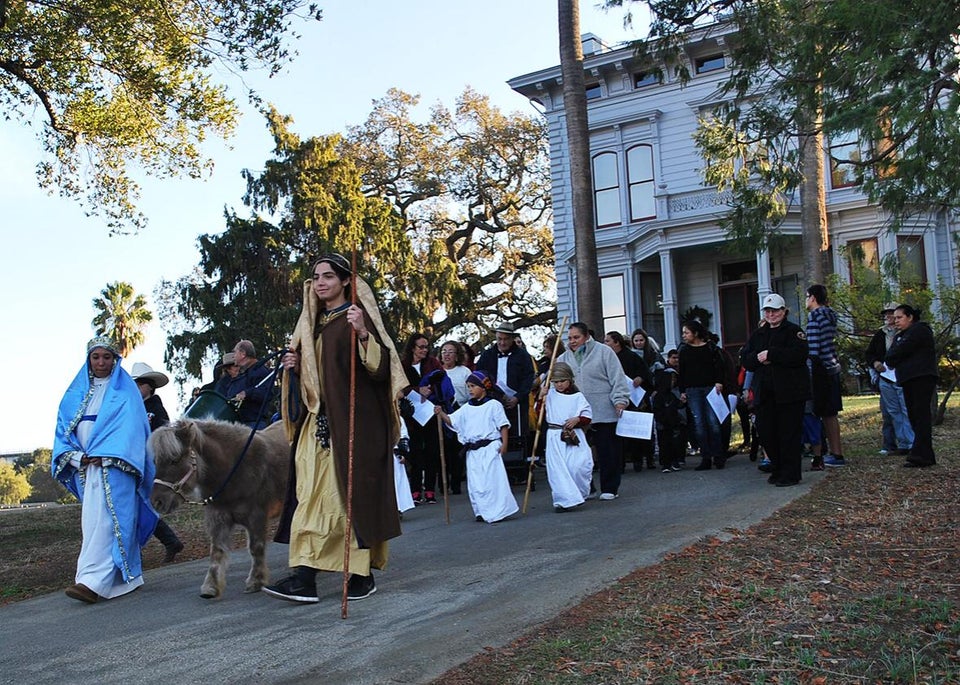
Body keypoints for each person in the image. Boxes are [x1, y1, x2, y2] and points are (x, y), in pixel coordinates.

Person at [265, 254, 404, 604]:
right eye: (315, 277)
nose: (320, 282)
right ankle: (304, 575)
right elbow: (316, 380)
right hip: (316, 424)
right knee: (309, 496)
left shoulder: (356, 318)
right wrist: (294, 368)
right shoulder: (311, 325)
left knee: (345, 498)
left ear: (345, 281)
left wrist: (361, 334)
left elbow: (381, 369)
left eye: (329, 276)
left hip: (355, 425)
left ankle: (359, 573)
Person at [52, 336, 159, 603]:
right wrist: (77, 457)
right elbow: (63, 432)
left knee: (112, 522)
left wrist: (109, 455)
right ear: (89, 359)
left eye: (106, 357)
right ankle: (111, 578)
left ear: (115, 359)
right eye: (96, 357)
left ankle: (91, 582)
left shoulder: (126, 393)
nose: (101, 362)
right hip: (87, 470)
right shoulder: (74, 394)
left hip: (116, 467)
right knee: (93, 523)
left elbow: (134, 431)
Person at [740, 294, 810, 487]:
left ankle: (791, 473)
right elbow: (746, 359)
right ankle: (777, 468)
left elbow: (800, 355)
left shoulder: (793, 332)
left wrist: (773, 355)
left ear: (784, 311)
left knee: (789, 433)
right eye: (768, 311)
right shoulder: (759, 334)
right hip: (765, 392)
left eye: (775, 310)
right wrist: (760, 358)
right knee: (767, 432)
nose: (771, 314)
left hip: (790, 392)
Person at [558, 322, 631, 500]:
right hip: (577, 413)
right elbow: (557, 382)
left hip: (602, 409)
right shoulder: (562, 358)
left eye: (577, 337)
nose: (573, 341)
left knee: (607, 451)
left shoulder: (604, 352)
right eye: (570, 338)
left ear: (586, 336)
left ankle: (610, 487)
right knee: (579, 453)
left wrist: (620, 400)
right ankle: (586, 487)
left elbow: (617, 378)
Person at [435, 371, 518, 523]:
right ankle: (481, 510)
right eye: (468, 387)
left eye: (473, 386)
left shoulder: (493, 405)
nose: (470, 390)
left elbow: (503, 425)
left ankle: (499, 510)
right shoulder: (467, 408)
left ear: (483, 387)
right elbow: (453, 421)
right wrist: (441, 414)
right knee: (476, 483)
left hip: (490, 448)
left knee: (492, 480)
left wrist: (504, 444)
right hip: (473, 451)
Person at [131, 361, 184, 563]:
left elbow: (163, 435)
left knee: (141, 504)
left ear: (149, 386)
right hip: (137, 461)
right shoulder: (135, 409)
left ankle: (161, 544)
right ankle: (169, 542)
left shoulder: (156, 410)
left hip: (149, 463)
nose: (136, 389)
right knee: (138, 504)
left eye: (140, 384)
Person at [885, 304, 938, 468]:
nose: (896, 321)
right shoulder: (901, 335)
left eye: (899, 317)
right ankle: (922, 452)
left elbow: (899, 352)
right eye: (894, 318)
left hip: (921, 378)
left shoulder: (919, 331)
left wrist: (896, 355)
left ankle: (922, 453)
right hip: (908, 379)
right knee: (914, 416)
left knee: (920, 415)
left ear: (910, 317)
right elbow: (890, 357)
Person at [475, 322, 536, 456]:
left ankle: (520, 470)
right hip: (494, 401)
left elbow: (528, 378)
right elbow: (479, 375)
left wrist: (517, 397)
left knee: (519, 434)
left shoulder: (522, 355)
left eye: (505, 339)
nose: (502, 343)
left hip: (517, 403)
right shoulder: (487, 355)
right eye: (499, 339)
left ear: (512, 339)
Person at [538, 362, 593, 512]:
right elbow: (539, 414)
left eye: (562, 381)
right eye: (556, 382)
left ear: (569, 380)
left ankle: (578, 494)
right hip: (555, 435)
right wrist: (540, 397)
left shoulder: (577, 396)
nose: (559, 385)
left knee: (578, 466)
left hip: (574, 434)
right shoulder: (549, 395)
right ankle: (563, 501)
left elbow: (587, 416)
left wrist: (577, 420)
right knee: (558, 469)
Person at [865, 303, 914, 456]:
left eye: (891, 313)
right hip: (885, 377)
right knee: (892, 412)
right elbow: (869, 354)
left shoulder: (908, 333)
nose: (887, 316)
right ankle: (898, 444)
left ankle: (912, 443)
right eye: (885, 313)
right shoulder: (881, 334)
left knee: (906, 410)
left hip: (902, 376)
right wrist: (876, 363)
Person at [400, 333, 443, 504]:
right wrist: (418, 389)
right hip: (411, 413)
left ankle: (431, 489)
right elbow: (400, 386)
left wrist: (432, 390)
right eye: (421, 347)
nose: (424, 350)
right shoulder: (403, 365)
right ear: (412, 347)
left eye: (426, 347)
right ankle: (415, 490)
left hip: (430, 411)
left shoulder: (432, 363)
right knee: (414, 450)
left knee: (432, 450)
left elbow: (442, 381)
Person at [677, 319, 725, 470]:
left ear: (695, 333)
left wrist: (719, 381)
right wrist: (682, 391)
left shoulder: (711, 348)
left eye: (686, 332)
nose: (684, 335)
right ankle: (706, 457)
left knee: (713, 422)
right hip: (693, 390)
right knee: (699, 424)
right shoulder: (683, 351)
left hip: (711, 389)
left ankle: (718, 455)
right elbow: (682, 373)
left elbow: (719, 366)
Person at [805, 284, 845, 467]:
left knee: (823, 412)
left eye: (807, 296)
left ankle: (834, 455)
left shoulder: (815, 317)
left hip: (821, 370)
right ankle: (837, 452)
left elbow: (813, 349)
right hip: (833, 366)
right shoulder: (830, 316)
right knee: (832, 414)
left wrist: (809, 371)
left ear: (812, 297)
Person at [605, 331, 654, 471]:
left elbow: (645, 372)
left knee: (639, 431)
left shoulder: (631, 356)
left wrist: (640, 378)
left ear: (616, 342)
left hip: (635, 397)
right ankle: (621, 463)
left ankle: (644, 459)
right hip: (616, 397)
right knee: (620, 432)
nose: (605, 344)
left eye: (608, 341)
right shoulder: (608, 358)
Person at [438, 340, 471, 494]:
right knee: (442, 449)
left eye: (451, 351)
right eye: (444, 351)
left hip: (460, 411)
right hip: (441, 412)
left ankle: (456, 482)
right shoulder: (437, 372)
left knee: (457, 449)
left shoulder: (464, 371)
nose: (447, 354)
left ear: (457, 355)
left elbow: (471, 392)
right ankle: (442, 485)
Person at [221, 341, 274, 428]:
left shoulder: (259, 370)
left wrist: (247, 393)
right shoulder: (246, 373)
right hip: (242, 424)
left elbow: (267, 393)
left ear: (243, 354)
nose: (233, 356)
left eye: (235, 352)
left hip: (254, 424)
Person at [651, 367, 686, 472]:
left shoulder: (671, 395)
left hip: (671, 422)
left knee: (672, 443)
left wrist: (682, 402)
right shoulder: (660, 396)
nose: (673, 382)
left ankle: (673, 462)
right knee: (664, 444)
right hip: (664, 422)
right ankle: (666, 463)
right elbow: (658, 409)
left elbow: (677, 405)